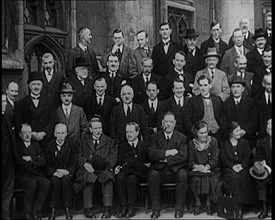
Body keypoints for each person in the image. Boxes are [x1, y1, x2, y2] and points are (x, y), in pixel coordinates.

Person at [74, 117, 117, 219]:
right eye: (95, 128)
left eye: (100, 128)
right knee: (88, 177)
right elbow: (77, 156)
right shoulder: (83, 141)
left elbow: (113, 158)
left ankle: (107, 208)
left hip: (103, 169)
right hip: (88, 169)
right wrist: (85, 164)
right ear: (90, 129)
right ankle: (88, 209)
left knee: (107, 177)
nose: (98, 131)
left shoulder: (109, 141)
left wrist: (105, 165)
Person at [148, 111, 188, 218]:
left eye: (171, 122)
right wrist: (167, 153)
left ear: (175, 123)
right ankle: (156, 209)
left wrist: (165, 160)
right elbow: (151, 153)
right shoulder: (155, 137)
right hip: (160, 170)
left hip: (176, 169)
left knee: (183, 175)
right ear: (162, 123)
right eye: (166, 122)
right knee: (152, 175)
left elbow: (183, 156)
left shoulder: (182, 137)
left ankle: (179, 209)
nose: (168, 124)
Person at [220, 121, 257, 218]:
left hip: (243, 168)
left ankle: (240, 206)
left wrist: (242, 166)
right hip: (230, 169)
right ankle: (235, 207)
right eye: (237, 131)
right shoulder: (224, 144)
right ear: (231, 133)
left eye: (240, 130)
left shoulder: (244, 142)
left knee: (242, 177)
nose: (239, 132)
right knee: (233, 179)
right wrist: (232, 166)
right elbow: (224, 158)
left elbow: (248, 157)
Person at [14, 123, 50, 220]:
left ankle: (36, 211)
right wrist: (36, 161)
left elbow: (43, 160)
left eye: (29, 132)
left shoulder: (36, 145)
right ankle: (27, 213)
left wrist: (31, 159)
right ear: (20, 134)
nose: (27, 135)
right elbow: (20, 163)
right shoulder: (17, 146)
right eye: (24, 132)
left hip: (36, 174)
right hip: (23, 176)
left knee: (45, 183)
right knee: (32, 183)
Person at [115, 122, 150, 218]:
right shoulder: (122, 146)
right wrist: (117, 167)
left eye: (131, 132)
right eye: (127, 132)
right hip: (125, 173)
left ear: (137, 132)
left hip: (140, 174)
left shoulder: (144, 145)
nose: (129, 134)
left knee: (132, 178)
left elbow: (148, 162)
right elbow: (118, 161)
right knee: (120, 178)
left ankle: (131, 207)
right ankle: (123, 206)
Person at [46, 123, 78, 220]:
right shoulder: (49, 146)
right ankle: (53, 209)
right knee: (55, 181)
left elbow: (74, 162)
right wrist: (53, 172)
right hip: (54, 173)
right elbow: (47, 163)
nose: (60, 136)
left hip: (66, 173)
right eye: (58, 133)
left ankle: (68, 209)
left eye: (62, 133)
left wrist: (68, 172)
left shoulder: (71, 145)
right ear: (55, 134)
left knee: (66, 180)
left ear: (66, 134)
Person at [13, 71, 54, 146]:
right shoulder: (21, 104)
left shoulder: (49, 102)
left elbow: (53, 121)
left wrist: (44, 132)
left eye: (38, 84)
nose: (36, 87)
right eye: (33, 84)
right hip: (28, 142)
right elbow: (18, 123)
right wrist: (29, 133)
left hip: (45, 141)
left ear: (42, 85)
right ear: (29, 86)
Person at [188, 121, 219, 215]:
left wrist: (208, 166)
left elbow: (215, 158)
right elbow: (190, 161)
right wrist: (197, 166)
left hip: (210, 169)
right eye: (201, 133)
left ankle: (208, 203)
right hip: (197, 170)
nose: (204, 135)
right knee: (196, 179)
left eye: (205, 132)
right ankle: (198, 203)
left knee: (208, 178)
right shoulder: (191, 143)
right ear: (196, 133)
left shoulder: (213, 141)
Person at [221, 76, 258, 149]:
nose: (236, 89)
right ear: (231, 89)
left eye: (238, 87)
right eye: (233, 87)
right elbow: (223, 122)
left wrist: (244, 131)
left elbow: (254, 120)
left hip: (247, 138)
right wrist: (232, 133)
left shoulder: (250, 103)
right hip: (231, 138)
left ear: (243, 89)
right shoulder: (225, 104)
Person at [184, 75, 223, 144]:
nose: (203, 88)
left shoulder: (217, 100)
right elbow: (187, 119)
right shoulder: (193, 101)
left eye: (205, 85)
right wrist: (196, 132)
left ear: (210, 86)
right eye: (201, 85)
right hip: (200, 136)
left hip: (217, 134)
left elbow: (223, 118)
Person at [250, 119, 272, 219]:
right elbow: (258, 158)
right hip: (267, 169)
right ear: (267, 130)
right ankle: (264, 208)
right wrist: (265, 166)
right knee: (262, 179)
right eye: (270, 129)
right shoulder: (262, 142)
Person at [2, 93, 17, 220]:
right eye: (2, 102)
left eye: (4, 101)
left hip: (9, 161)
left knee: (7, 192)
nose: (5, 104)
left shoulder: (6, 116)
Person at [254, 74, 272, 140]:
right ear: (263, 84)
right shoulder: (257, 99)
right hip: (261, 133)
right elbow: (255, 117)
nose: (271, 87)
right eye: (268, 84)